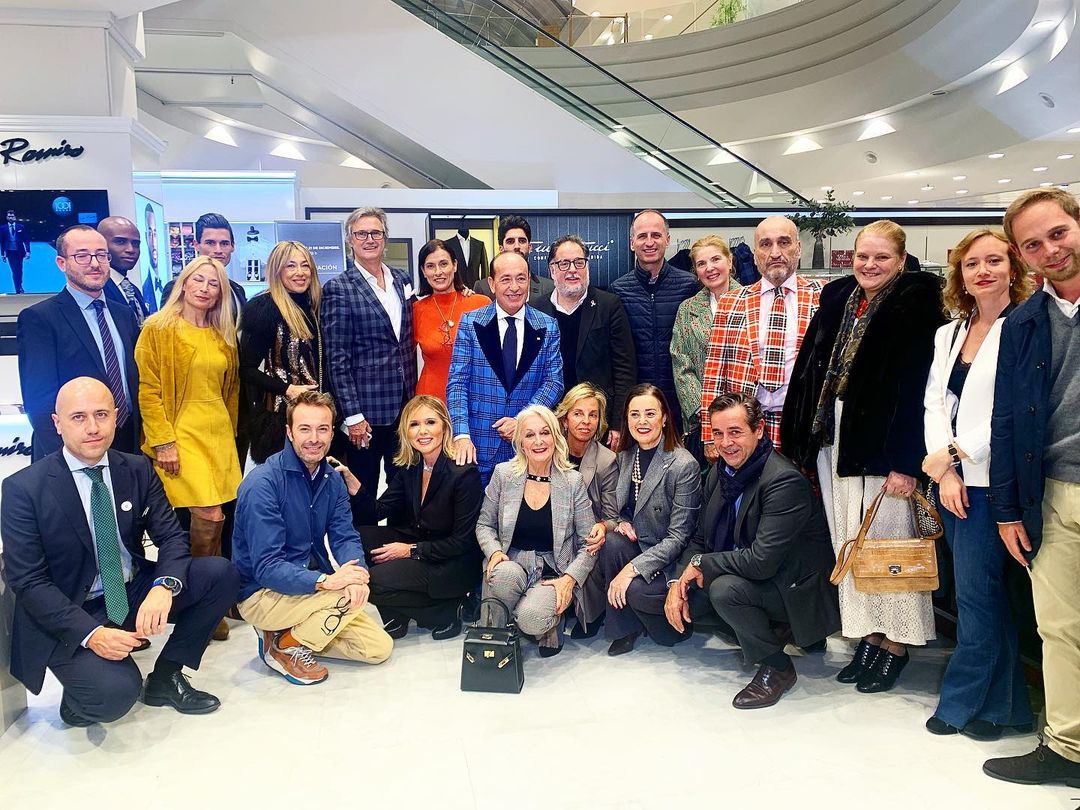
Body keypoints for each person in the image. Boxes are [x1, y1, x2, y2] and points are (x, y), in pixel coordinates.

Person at [0, 378, 239, 726]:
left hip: (129, 591)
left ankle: (165, 677)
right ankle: (82, 689)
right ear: (57, 423)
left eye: (101, 414)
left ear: (116, 417)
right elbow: (29, 582)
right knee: (112, 697)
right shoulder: (24, 489)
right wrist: (92, 634)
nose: (93, 428)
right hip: (72, 609)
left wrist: (164, 586)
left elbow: (172, 537)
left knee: (221, 574)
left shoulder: (138, 469)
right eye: (78, 417)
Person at [781, 220, 946, 693]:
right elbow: (811, 368)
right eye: (862, 256)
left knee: (889, 548)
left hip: (884, 445)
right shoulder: (838, 298)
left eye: (881, 258)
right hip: (835, 438)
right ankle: (869, 636)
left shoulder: (918, 302)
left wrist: (907, 462)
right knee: (851, 545)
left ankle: (896, 642)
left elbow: (919, 386)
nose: (869, 266)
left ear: (901, 260)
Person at [642, 393, 840, 708]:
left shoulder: (783, 481)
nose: (725, 443)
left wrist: (701, 564)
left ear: (759, 430)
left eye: (735, 432)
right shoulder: (721, 474)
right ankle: (759, 630)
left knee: (724, 590)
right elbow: (699, 538)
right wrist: (676, 582)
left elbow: (761, 562)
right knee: (658, 593)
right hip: (751, 574)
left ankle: (776, 666)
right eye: (718, 433)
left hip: (794, 589)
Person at [983, 188, 1080, 787]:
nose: (1050, 249)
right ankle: (1068, 747)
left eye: (1059, 233)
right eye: (1033, 244)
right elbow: (1006, 417)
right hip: (1051, 491)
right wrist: (1008, 507)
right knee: (1058, 626)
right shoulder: (1022, 323)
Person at [921, 229, 1035, 740]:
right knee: (980, 593)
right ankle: (1006, 708)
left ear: (1013, 267)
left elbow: (1013, 414)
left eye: (994, 261)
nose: (982, 271)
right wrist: (944, 468)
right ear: (959, 274)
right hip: (953, 481)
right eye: (972, 264)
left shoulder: (1027, 327)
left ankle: (963, 701)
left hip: (996, 481)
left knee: (977, 594)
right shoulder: (950, 331)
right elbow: (934, 402)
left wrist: (954, 455)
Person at [232, 391, 393, 685]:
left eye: (322, 429)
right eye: (304, 429)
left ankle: (291, 632)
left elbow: (345, 537)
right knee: (344, 598)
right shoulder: (262, 485)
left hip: (309, 588)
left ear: (333, 432)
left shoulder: (332, 479)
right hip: (262, 593)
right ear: (289, 432)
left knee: (377, 648)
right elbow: (267, 567)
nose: (314, 438)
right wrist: (326, 582)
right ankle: (283, 645)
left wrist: (357, 574)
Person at [135, 255, 241, 641]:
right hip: (182, 431)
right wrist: (162, 440)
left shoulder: (220, 332)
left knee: (219, 517)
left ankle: (211, 595)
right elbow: (148, 389)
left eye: (213, 284)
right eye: (198, 280)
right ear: (183, 281)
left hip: (218, 431)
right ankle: (200, 602)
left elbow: (230, 390)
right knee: (206, 514)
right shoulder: (159, 328)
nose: (204, 288)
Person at [341, 395, 484, 641]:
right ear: (406, 432)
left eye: (430, 422)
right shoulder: (411, 468)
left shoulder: (463, 474)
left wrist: (411, 550)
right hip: (422, 544)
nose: (423, 431)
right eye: (414, 424)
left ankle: (444, 611)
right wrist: (352, 482)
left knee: (370, 581)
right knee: (358, 538)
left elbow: (463, 542)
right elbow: (377, 511)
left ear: (445, 427)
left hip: (452, 563)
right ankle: (397, 612)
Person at [476, 405, 600, 656]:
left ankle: (544, 622)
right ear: (520, 441)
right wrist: (495, 552)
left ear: (556, 437)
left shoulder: (572, 481)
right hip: (513, 562)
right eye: (530, 435)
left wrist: (570, 579)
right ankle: (512, 619)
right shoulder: (503, 474)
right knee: (502, 577)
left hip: (553, 570)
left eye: (545, 433)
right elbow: (484, 524)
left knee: (530, 619)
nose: (539, 441)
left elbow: (589, 544)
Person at [322, 206, 416, 524]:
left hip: (404, 406)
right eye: (361, 233)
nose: (369, 239)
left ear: (385, 238)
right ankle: (362, 558)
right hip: (366, 414)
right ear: (350, 240)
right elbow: (337, 358)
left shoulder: (401, 279)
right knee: (361, 490)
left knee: (403, 486)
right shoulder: (339, 288)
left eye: (376, 232)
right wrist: (353, 416)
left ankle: (400, 552)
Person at [700, 217, 821, 455]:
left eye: (784, 242)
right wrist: (708, 433)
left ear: (799, 248)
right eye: (765, 244)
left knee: (801, 491)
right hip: (744, 429)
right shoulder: (732, 302)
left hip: (802, 426)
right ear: (755, 254)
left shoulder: (824, 298)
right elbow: (714, 371)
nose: (775, 252)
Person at [17, 225, 139, 460]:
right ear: (62, 263)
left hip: (126, 444)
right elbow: (39, 401)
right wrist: (66, 459)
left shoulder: (124, 314)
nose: (95, 263)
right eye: (82, 255)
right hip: (72, 451)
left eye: (101, 255)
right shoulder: (40, 318)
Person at [596, 383, 701, 656]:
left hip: (667, 559)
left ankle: (669, 624)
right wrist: (620, 521)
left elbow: (679, 537)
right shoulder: (625, 456)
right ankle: (625, 629)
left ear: (665, 417)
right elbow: (616, 507)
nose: (642, 421)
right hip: (638, 543)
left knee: (638, 594)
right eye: (634, 414)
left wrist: (630, 570)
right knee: (611, 542)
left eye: (650, 414)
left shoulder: (683, 465)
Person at [446, 250, 564, 484]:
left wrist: (522, 421)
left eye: (521, 278)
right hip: (477, 446)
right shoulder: (470, 323)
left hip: (528, 447)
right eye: (505, 279)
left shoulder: (548, 326)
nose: (514, 287)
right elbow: (457, 383)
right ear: (491, 283)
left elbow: (554, 382)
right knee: (476, 519)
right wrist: (461, 434)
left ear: (529, 281)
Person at [533, 235, 637, 445]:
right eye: (564, 263)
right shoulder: (536, 309)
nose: (573, 269)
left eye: (579, 262)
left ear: (587, 266)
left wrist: (617, 423)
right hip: (550, 419)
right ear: (552, 270)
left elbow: (625, 368)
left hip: (598, 421)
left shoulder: (609, 305)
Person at [609, 210, 699, 432]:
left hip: (681, 403)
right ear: (632, 243)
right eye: (642, 236)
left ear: (667, 239)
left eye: (656, 235)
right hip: (638, 405)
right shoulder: (618, 290)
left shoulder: (689, 286)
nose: (649, 242)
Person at [239, 240, 325, 464]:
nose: (300, 272)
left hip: (319, 414)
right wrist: (288, 389)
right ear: (277, 270)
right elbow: (247, 369)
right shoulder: (265, 309)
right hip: (282, 418)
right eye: (291, 266)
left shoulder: (316, 305)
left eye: (305, 265)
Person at [554, 383, 619, 638]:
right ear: (566, 419)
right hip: (554, 530)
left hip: (586, 534)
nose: (586, 421)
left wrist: (603, 526)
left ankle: (590, 611)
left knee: (594, 543)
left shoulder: (606, 460)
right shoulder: (549, 451)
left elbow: (613, 516)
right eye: (578, 413)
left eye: (593, 415)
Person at [670, 235, 741, 447]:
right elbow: (681, 364)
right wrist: (706, 414)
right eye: (701, 263)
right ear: (696, 272)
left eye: (716, 259)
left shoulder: (751, 302)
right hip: (702, 421)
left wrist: (739, 413)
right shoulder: (687, 309)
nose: (709, 268)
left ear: (729, 261)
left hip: (745, 417)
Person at [412, 238, 490, 401]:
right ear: (423, 271)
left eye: (443, 264)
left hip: (473, 401)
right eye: (430, 266)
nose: (438, 272)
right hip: (430, 403)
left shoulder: (480, 304)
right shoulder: (417, 310)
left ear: (454, 265)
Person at [161, 212, 248, 317]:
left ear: (232, 246)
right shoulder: (177, 287)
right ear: (196, 245)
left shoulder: (237, 290)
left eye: (224, 244)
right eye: (210, 243)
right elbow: (164, 328)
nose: (218, 250)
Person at [472, 214, 554, 300]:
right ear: (501, 248)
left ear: (530, 247)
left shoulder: (549, 287)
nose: (517, 246)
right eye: (510, 241)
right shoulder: (483, 287)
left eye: (522, 241)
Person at [99, 216, 150, 327]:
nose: (130, 250)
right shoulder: (96, 289)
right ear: (100, 245)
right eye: (120, 242)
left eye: (136, 244)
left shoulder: (133, 290)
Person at [141, 203, 164, 313]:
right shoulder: (144, 289)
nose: (153, 242)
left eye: (155, 233)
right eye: (150, 233)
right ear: (146, 237)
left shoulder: (167, 286)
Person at [1, 208, 30, 294]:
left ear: (15, 217)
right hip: (10, 252)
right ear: (7, 217)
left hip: (19, 252)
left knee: (19, 270)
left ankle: (20, 286)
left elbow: (26, 240)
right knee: (14, 270)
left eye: (12, 216)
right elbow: (2, 242)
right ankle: (18, 288)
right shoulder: (3, 228)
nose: (10, 218)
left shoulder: (20, 227)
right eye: (9, 216)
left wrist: (28, 251)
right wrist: (3, 254)